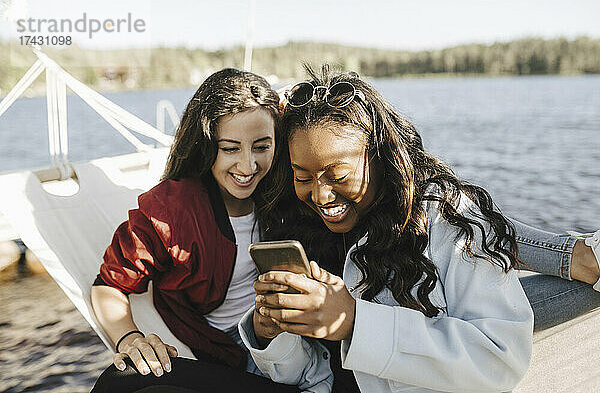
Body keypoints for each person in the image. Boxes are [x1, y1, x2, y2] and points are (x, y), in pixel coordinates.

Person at [238, 65, 600, 392]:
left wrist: (354, 321)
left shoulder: (442, 220)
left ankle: (580, 257)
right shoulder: (305, 230)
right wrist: (273, 336)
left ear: (380, 156)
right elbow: (315, 377)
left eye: (338, 176)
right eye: (303, 177)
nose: (319, 194)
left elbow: (500, 358)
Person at [90, 68, 300, 393]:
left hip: (296, 337)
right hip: (227, 349)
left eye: (261, 146)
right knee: (119, 383)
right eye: (230, 148)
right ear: (206, 145)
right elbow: (109, 286)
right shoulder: (171, 213)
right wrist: (130, 339)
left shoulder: (290, 188)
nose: (248, 166)